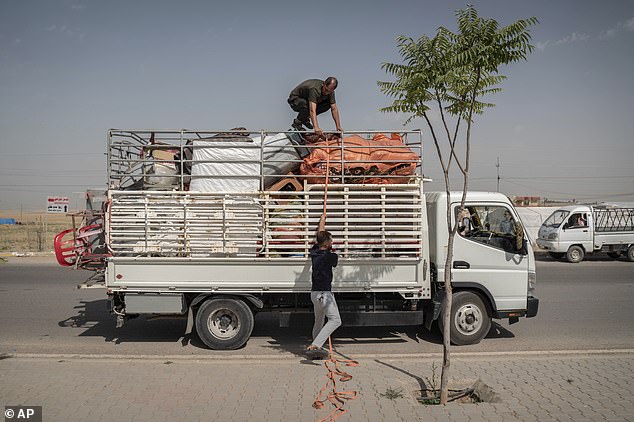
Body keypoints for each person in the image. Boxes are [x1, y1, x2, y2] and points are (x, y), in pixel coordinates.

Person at [306, 213, 340, 357]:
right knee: (335, 320)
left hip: (315, 294)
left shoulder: (314, 252)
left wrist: (322, 221)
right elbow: (332, 259)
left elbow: (320, 237)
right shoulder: (331, 256)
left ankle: (316, 349)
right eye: (331, 240)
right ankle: (316, 345)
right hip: (324, 294)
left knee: (318, 322)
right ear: (327, 243)